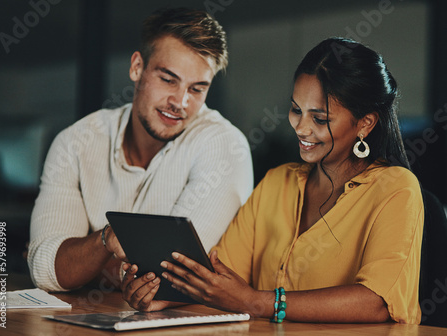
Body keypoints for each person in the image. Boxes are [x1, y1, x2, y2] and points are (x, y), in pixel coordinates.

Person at [121, 37, 424, 324]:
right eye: (296, 111)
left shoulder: (396, 188)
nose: (302, 128)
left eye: (320, 119)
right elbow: (219, 280)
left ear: (365, 123)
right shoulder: (278, 183)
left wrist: (258, 302)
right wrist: (161, 296)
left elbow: (377, 302)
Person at [27, 8, 253, 292]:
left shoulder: (224, 145)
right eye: (168, 79)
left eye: (196, 89)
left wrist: (85, 258)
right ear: (137, 67)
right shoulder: (75, 142)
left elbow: (168, 276)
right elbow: (47, 271)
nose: (180, 102)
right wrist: (108, 239)